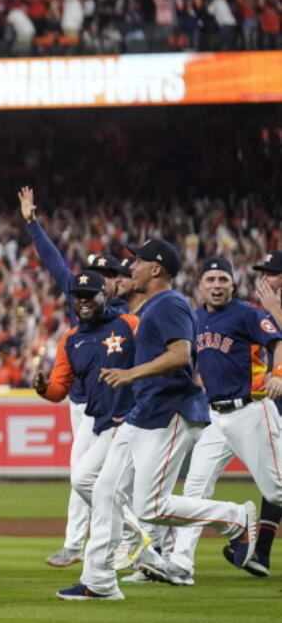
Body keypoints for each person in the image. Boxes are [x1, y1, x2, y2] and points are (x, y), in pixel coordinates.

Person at [57, 239, 257, 601]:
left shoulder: (170, 303)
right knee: (102, 490)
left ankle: (235, 518)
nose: (130, 266)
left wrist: (131, 375)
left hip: (171, 413)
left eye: (137, 261)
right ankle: (100, 582)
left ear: (156, 269)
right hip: (142, 413)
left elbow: (181, 355)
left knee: (151, 506)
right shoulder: (149, 305)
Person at [18, 187, 131, 568]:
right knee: (82, 475)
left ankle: (115, 538)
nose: (97, 280)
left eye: (107, 274)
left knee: (94, 477)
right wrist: (33, 225)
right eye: (94, 273)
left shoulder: (128, 317)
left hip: (119, 406)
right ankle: (81, 542)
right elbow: (54, 263)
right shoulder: (80, 302)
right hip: (80, 401)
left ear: (118, 281)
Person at [157, 257, 282, 585]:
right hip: (215, 416)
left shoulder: (247, 313)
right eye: (210, 279)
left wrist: (278, 371)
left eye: (222, 280)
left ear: (232, 284)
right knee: (196, 488)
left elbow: (278, 340)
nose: (216, 285)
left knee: (277, 490)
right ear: (199, 285)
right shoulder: (195, 319)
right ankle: (181, 563)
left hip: (252, 410)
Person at [32, 270, 151, 572]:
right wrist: (45, 388)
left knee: (89, 480)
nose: (83, 301)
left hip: (132, 418)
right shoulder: (70, 340)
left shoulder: (129, 324)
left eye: (90, 295)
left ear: (104, 295)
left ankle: (132, 536)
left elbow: (155, 359)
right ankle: (144, 548)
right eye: (78, 296)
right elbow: (61, 389)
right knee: (93, 482)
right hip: (101, 422)